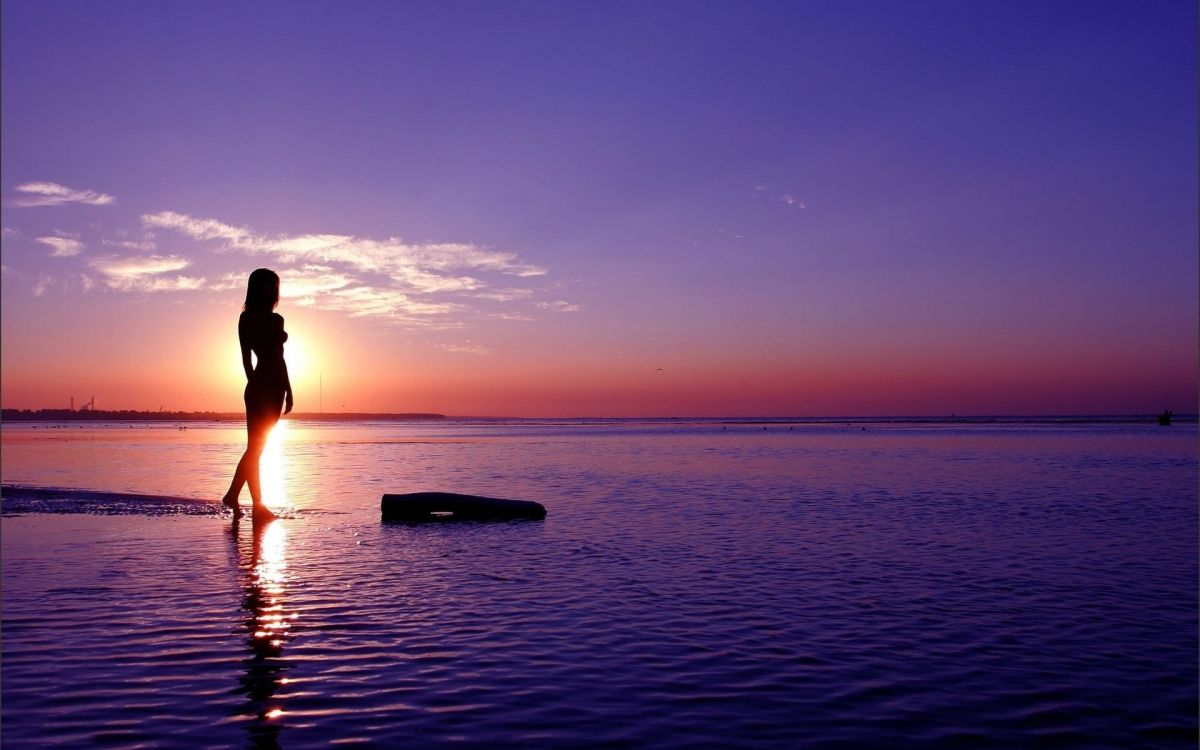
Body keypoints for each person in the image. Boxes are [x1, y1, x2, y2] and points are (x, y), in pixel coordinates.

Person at [222, 268, 294, 522]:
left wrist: (289, 390)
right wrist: (256, 387)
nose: (275, 292)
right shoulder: (248, 319)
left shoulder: (277, 320)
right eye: (272, 286)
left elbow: (280, 359)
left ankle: (237, 496)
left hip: (275, 389)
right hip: (260, 388)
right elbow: (246, 360)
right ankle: (253, 504)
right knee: (256, 448)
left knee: (257, 448)